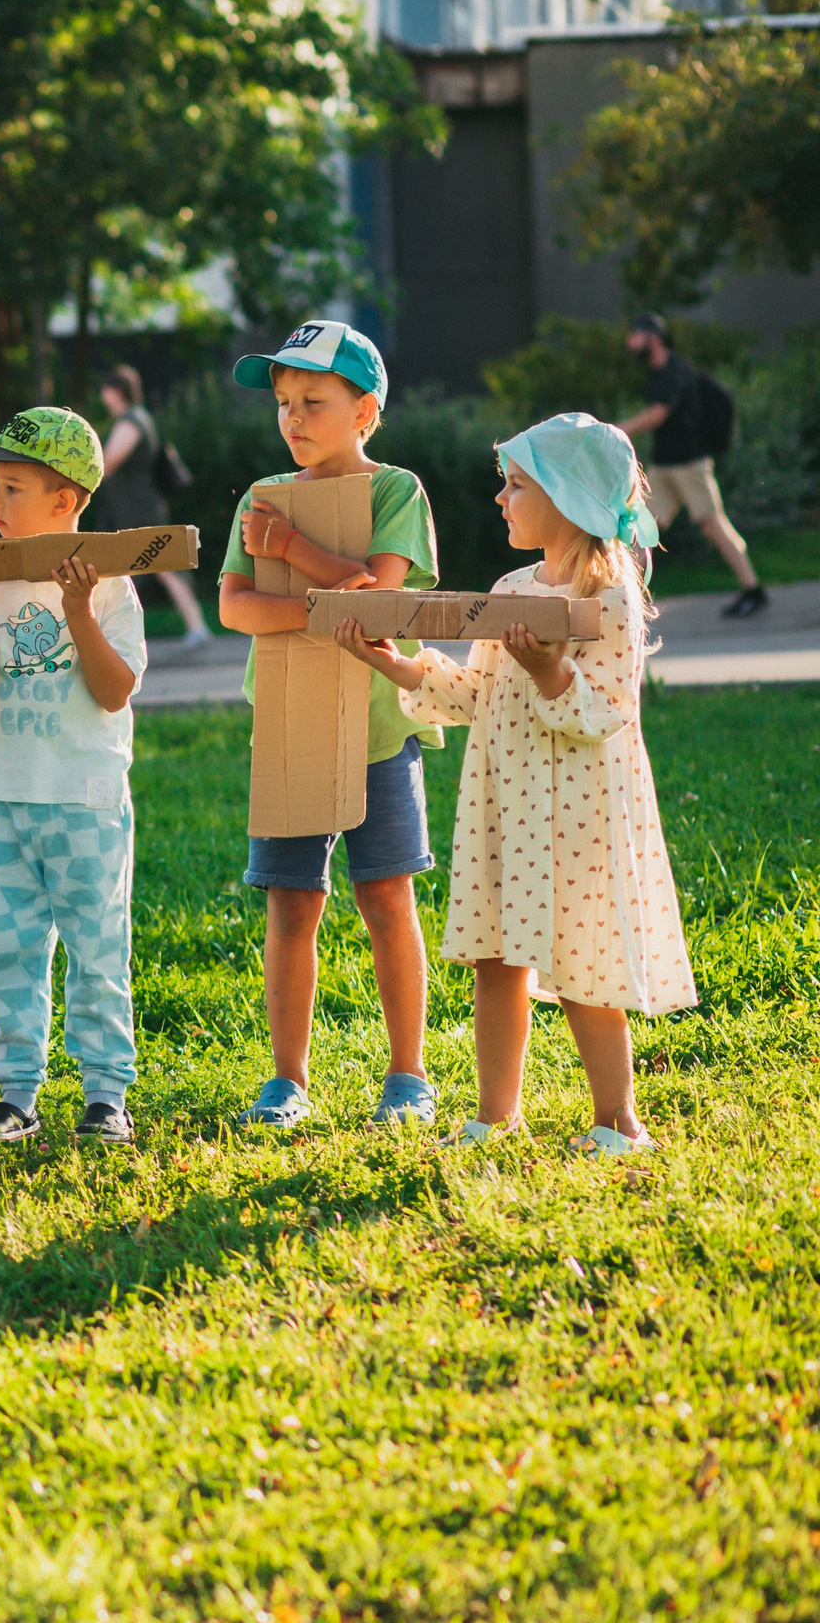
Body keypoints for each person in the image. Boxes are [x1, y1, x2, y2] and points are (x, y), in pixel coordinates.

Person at [336, 413, 694, 1156]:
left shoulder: (612, 600)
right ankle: (495, 1113)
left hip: (580, 814)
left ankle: (618, 1122)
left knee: (586, 964)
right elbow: (474, 692)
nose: (501, 498)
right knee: (497, 958)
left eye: (517, 485)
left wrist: (548, 668)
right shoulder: (509, 588)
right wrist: (393, 663)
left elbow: (606, 712)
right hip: (509, 806)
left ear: (565, 497)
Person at [216, 320, 443, 1133]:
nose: (294, 418)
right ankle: (287, 1081)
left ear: (365, 410)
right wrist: (322, 610)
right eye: (283, 403)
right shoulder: (260, 493)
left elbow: (379, 601)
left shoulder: (395, 492)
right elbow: (234, 606)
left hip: (381, 726)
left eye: (314, 400)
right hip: (289, 726)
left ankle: (408, 1074)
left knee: (386, 896)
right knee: (290, 904)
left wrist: (291, 550)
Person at [0, 407, 148, 1143]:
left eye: (12, 487)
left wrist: (79, 608)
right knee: (9, 953)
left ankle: (104, 1094)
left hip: (84, 798)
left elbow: (115, 689)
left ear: (65, 501)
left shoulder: (110, 579)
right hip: (4, 796)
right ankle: (16, 1093)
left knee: (97, 949)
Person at [617, 313, 762, 617]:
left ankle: (753, 589)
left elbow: (658, 415)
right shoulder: (657, 373)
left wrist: (617, 429)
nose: (631, 343)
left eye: (636, 335)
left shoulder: (675, 370)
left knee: (713, 524)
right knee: (644, 529)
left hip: (690, 465)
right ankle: (623, 595)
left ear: (652, 337)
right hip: (665, 465)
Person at [92, 365, 211, 646]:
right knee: (145, 569)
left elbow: (108, 463)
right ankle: (193, 626)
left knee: (161, 566)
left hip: (137, 509)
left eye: (106, 390)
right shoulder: (140, 418)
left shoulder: (131, 422)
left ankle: (196, 627)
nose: (102, 396)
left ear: (116, 391)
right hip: (136, 506)